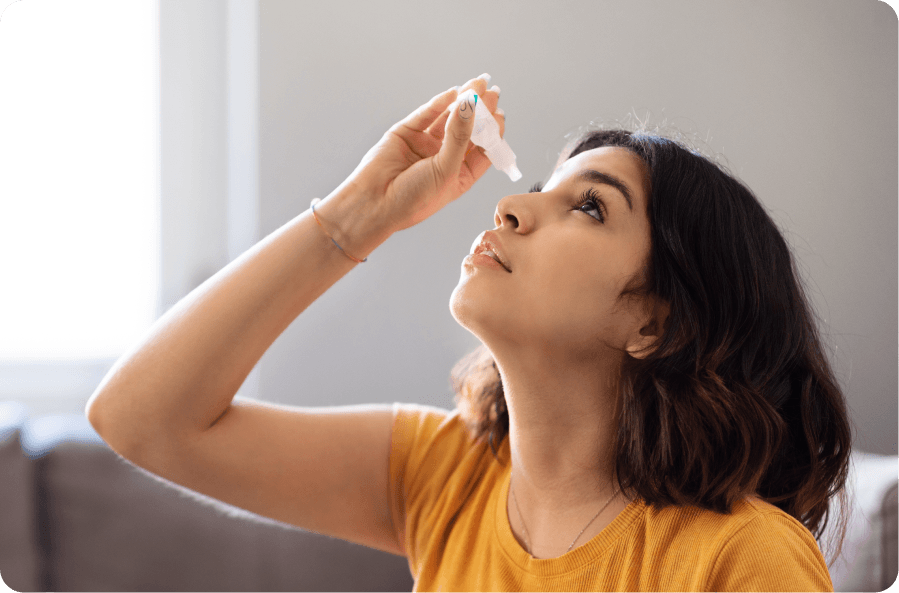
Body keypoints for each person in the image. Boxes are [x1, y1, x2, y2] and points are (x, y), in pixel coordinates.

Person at [86, 73, 851, 592]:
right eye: (536, 190)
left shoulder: (743, 558)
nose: (511, 210)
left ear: (654, 320)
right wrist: (357, 214)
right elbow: (141, 420)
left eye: (589, 207)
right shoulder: (443, 477)